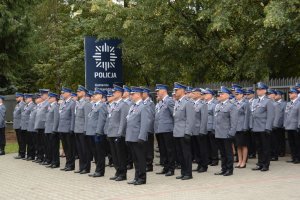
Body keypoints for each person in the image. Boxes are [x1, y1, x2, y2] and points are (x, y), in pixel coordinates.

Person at [126, 87, 151, 185]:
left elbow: (145, 124)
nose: (131, 96)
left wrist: (141, 137)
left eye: (132, 94)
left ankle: (142, 178)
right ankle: (136, 177)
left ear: (138, 95)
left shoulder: (143, 106)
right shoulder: (133, 106)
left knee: (140, 159)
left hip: (138, 138)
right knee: (135, 159)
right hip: (132, 137)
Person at [107, 84, 130, 181]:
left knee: (120, 155)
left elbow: (123, 121)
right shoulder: (114, 105)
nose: (113, 94)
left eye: (115, 92)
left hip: (118, 133)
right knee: (115, 155)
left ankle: (123, 173)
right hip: (112, 133)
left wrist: (120, 133)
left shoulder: (123, 105)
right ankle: (117, 171)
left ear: (120, 93)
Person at [250, 82, 275, 172]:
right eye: (257, 89)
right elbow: (252, 114)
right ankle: (260, 163)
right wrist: (251, 126)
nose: (258, 91)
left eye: (260, 89)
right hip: (256, 127)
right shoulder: (255, 101)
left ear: (264, 91)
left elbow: (270, 116)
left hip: (264, 128)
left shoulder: (268, 101)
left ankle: (265, 164)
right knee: (259, 147)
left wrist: (268, 127)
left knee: (265, 147)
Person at [214, 86, 238, 176]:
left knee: (228, 153)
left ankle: (229, 169)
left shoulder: (231, 106)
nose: (220, 95)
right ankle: (223, 169)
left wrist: (231, 133)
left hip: (227, 133)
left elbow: (234, 121)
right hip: (219, 133)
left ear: (227, 95)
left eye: (222, 93)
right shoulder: (218, 105)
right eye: (220, 93)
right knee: (222, 153)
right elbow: (216, 119)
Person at [173, 82, 194, 180]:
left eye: (176, 90)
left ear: (182, 90)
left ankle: (188, 173)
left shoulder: (188, 102)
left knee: (186, 154)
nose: (175, 92)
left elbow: (190, 119)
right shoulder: (178, 102)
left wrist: (187, 133)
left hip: (183, 132)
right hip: (177, 132)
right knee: (180, 154)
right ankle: (183, 172)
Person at [155, 84, 176, 177]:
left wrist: (174, 128)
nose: (157, 93)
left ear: (163, 91)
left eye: (158, 91)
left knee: (170, 150)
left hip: (168, 129)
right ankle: (165, 167)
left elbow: (174, 115)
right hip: (160, 129)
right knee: (163, 150)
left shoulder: (169, 101)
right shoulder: (160, 102)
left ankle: (171, 169)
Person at [86, 89, 108, 177]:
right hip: (92, 132)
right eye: (94, 94)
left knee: (100, 153)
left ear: (101, 96)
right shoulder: (94, 105)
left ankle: (100, 171)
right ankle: (97, 170)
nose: (94, 96)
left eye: (96, 94)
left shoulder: (102, 106)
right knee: (95, 153)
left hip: (97, 133)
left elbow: (101, 120)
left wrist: (99, 132)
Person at [74, 85, 92, 174]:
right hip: (77, 129)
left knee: (85, 150)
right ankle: (81, 167)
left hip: (83, 130)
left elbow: (87, 118)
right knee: (80, 150)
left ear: (83, 93)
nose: (77, 93)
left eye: (79, 92)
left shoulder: (87, 103)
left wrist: (85, 130)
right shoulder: (78, 103)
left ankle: (86, 168)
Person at [191, 88, 209, 173]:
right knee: (196, 149)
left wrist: (202, 131)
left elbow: (204, 119)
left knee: (202, 149)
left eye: (194, 93)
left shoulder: (203, 104)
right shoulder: (191, 104)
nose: (192, 94)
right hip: (193, 131)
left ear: (199, 94)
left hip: (199, 130)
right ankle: (199, 164)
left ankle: (204, 165)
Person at [58, 87, 76, 171]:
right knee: (65, 148)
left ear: (68, 93)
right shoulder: (62, 103)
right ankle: (67, 164)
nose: (62, 94)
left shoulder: (72, 103)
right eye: (62, 93)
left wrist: (71, 129)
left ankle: (71, 165)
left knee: (70, 148)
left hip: (68, 129)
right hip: (62, 128)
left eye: (63, 93)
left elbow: (73, 117)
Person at [233, 88, 250, 168]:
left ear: (242, 95)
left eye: (237, 94)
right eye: (235, 94)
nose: (236, 96)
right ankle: (239, 160)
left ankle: (244, 161)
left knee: (244, 145)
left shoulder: (245, 103)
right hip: (236, 127)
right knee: (238, 145)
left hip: (242, 127)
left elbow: (247, 116)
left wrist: (245, 127)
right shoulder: (235, 103)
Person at [141, 87, 155, 172]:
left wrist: (148, 128)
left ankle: (149, 164)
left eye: (143, 93)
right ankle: (146, 163)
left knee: (149, 148)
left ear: (146, 93)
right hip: (144, 129)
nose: (141, 94)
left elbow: (150, 117)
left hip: (148, 129)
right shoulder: (143, 103)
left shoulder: (150, 103)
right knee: (144, 147)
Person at [203, 88, 219, 166]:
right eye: (204, 94)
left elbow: (215, 117)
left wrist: (214, 127)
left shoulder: (214, 104)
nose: (205, 95)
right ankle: (209, 158)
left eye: (206, 94)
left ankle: (215, 159)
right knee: (206, 145)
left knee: (213, 145)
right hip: (205, 127)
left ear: (211, 95)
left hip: (211, 126)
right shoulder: (204, 103)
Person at [284, 87, 300, 164]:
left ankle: (298, 158)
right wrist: (285, 125)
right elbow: (286, 115)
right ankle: (293, 157)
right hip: (289, 126)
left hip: (296, 126)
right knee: (291, 143)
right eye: (289, 93)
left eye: (291, 93)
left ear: (296, 94)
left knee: (297, 143)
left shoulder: (299, 103)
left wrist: (299, 126)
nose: (289, 94)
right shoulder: (288, 103)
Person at [34, 89, 50, 165]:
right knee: (40, 143)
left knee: (45, 144)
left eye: (42, 95)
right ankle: (41, 157)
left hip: (44, 126)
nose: (41, 96)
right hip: (39, 126)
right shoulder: (42, 103)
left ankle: (46, 158)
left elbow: (48, 115)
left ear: (46, 95)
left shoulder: (48, 103)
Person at [44, 92, 60, 168]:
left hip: (53, 130)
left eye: (49, 98)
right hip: (48, 129)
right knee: (50, 146)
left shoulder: (56, 106)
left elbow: (56, 119)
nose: (48, 99)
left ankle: (56, 162)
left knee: (54, 147)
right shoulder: (50, 106)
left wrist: (54, 129)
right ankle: (52, 161)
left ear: (54, 98)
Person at [20, 94, 36, 160]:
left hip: (29, 126)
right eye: (25, 99)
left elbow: (31, 117)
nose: (25, 100)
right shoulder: (26, 105)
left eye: (26, 99)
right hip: (25, 126)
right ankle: (28, 155)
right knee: (27, 141)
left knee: (30, 142)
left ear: (30, 99)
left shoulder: (32, 106)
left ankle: (31, 155)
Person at [122, 85, 134, 170]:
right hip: (124, 127)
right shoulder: (123, 102)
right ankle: (126, 161)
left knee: (129, 147)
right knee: (124, 147)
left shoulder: (130, 103)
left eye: (125, 91)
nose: (123, 92)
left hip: (128, 127)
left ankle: (130, 162)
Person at [13, 93, 26, 159]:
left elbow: (23, 116)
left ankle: (22, 153)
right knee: (19, 140)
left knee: (22, 140)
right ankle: (20, 153)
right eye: (16, 97)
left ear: (21, 97)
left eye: (17, 97)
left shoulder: (23, 104)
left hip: (20, 125)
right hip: (17, 125)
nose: (16, 99)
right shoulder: (18, 104)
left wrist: (21, 125)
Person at [274, 90, 287, 157]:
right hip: (274, 124)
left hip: (281, 124)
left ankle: (282, 151)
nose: (275, 96)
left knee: (281, 139)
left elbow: (285, 114)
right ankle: (277, 151)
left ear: (280, 96)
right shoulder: (273, 103)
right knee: (275, 139)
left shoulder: (284, 103)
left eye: (276, 94)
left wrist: (284, 124)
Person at [245, 88, 256, 159]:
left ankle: (253, 153)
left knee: (253, 140)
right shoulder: (246, 102)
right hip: (246, 123)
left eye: (249, 94)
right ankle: (249, 152)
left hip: (252, 123)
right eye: (246, 94)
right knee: (247, 139)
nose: (247, 95)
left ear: (253, 94)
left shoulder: (254, 102)